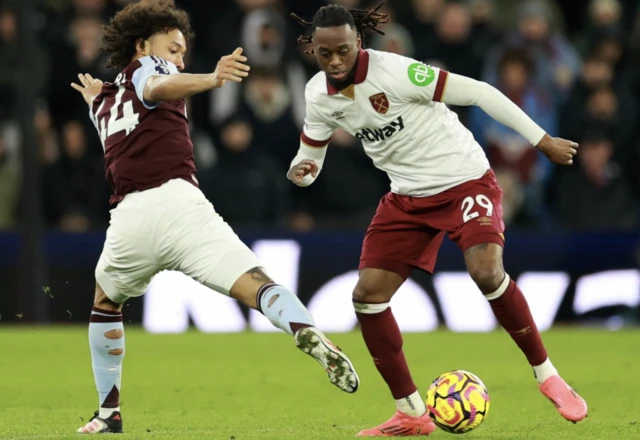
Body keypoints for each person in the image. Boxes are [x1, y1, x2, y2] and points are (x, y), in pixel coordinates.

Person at [289, 2, 587, 436]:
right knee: (367, 298)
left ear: (358, 42)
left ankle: (548, 376)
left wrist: (541, 141)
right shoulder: (317, 94)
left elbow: (481, 92)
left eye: (343, 50)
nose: (335, 61)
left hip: (464, 180)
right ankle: (411, 411)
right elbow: (311, 152)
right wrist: (303, 171)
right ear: (312, 49)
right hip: (406, 198)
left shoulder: (396, 72)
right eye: (324, 53)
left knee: (485, 271)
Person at [70, 1, 359, 434]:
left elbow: (119, 118)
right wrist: (210, 77)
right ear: (143, 44)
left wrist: (96, 99)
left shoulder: (108, 102)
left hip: (130, 219)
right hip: (180, 205)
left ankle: (108, 413)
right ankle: (305, 329)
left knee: (106, 303)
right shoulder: (149, 68)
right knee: (257, 285)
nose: (178, 59)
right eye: (174, 48)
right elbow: (155, 86)